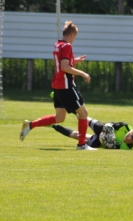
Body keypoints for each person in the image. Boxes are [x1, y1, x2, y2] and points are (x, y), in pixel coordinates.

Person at [19, 21, 96, 150]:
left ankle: (30, 125)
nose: (74, 40)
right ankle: (82, 145)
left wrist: (74, 60)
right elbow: (65, 67)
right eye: (75, 38)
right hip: (66, 86)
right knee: (83, 113)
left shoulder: (57, 45)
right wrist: (82, 73)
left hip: (58, 85)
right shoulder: (67, 46)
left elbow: (61, 64)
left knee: (59, 117)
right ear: (71, 35)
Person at [50, 117, 133, 149]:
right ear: (130, 132)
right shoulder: (125, 127)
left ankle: (53, 125)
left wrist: (107, 140)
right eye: (127, 137)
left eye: (129, 141)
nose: (126, 140)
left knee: (77, 136)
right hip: (102, 128)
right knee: (83, 115)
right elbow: (111, 124)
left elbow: (111, 147)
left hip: (99, 141)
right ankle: (63, 102)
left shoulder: (127, 147)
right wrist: (108, 128)